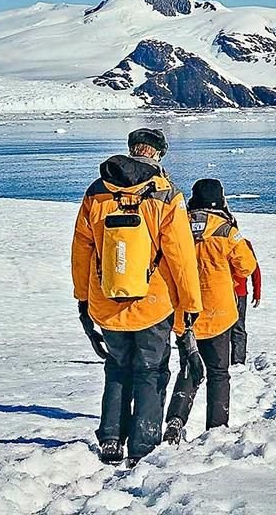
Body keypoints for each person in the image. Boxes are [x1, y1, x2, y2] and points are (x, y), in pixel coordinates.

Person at [71, 128, 202, 466]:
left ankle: (111, 438)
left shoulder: (97, 192)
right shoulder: (165, 195)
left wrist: (83, 298)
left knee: (116, 367)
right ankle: (143, 446)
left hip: (106, 299)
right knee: (150, 370)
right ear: (158, 154)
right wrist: (189, 306)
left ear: (132, 150)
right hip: (153, 304)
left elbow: (82, 251)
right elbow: (181, 258)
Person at [164, 179, 257, 445]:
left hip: (185, 315)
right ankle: (216, 429)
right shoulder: (226, 231)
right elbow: (247, 266)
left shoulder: (178, 225)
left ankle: (175, 420)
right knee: (218, 373)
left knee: (188, 369)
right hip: (218, 314)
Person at [231, 240, 262, 366]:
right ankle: (237, 362)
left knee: (221, 329)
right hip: (239, 292)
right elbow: (254, 268)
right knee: (238, 327)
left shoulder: (215, 239)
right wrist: (257, 292)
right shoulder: (243, 243)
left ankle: (222, 361)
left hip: (222, 292)